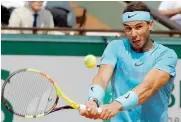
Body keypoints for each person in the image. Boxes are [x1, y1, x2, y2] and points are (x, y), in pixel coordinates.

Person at [79, 2, 178, 122]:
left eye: (139, 27)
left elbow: (148, 87)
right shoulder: (115, 47)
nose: (133, 34)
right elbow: (102, 78)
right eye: (128, 28)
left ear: (150, 25)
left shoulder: (167, 55)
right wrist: (93, 100)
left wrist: (116, 105)